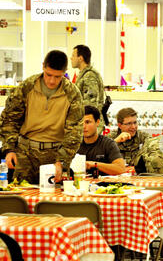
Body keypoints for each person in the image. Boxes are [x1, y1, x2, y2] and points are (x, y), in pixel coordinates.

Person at [0, 50, 83, 184]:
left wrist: (62, 161)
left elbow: (74, 132)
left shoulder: (72, 93)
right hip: (25, 153)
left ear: (65, 72)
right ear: (43, 66)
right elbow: (10, 119)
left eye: (57, 77)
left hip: (55, 154)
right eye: (48, 74)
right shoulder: (27, 86)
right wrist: (9, 149)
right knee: (19, 196)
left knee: (53, 199)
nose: (51, 81)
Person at [77, 105, 126, 176]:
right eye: (81, 123)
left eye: (87, 122)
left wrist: (94, 164)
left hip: (103, 185)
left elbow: (121, 169)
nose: (84, 127)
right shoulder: (75, 144)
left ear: (97, 122)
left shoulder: (108, 144)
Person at [71, 44, 105, 132]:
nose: (71, 58)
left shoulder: (89, 76)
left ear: (80, 58)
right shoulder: (84, 74)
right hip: (85, 122)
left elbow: (91, 103)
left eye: (73, 56)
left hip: (90, 124)